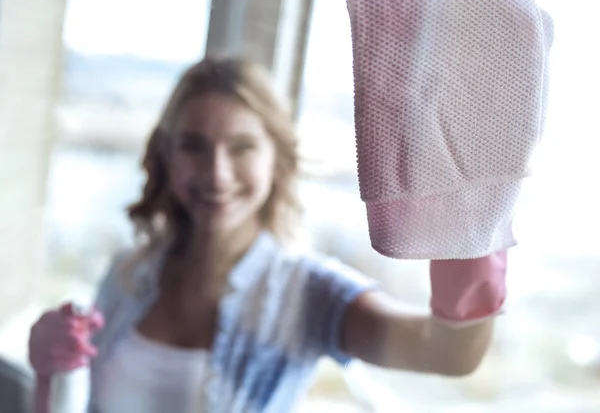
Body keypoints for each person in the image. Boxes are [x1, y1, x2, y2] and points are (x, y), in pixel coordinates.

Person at [28, 57, 505, 413]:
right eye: (194, 147)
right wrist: (50, 376)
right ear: (166, 156)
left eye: (242, 148)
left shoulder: (308, 293)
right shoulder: (129, 275)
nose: (217, 175)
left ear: (275, 158)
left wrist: (467, 215)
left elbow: (447, 351)